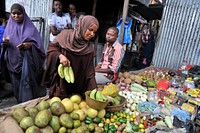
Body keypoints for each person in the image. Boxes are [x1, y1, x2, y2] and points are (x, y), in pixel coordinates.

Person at [42, 15, 99, 99]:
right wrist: (60, 56)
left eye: (94, 32)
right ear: (82, 26)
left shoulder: (89, 49)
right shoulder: (65, 36)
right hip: (61, 82)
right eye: (90, 30)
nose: (92, 34)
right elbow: (51, 48)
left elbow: (89, 73)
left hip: (77, 88)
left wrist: (94, 91)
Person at [2, 3, 45, 103]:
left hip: (27, 64)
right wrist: (5, 44)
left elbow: (38, 47)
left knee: (27, 86)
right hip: (13, 62)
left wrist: (29, 45)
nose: (16, 16)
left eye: (19, 13)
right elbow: (4, 45)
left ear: (23, 14)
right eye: (13, 13)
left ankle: (27, 105)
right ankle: (19, 103)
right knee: (16, 87)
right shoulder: (9, 27)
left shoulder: (30, 28)